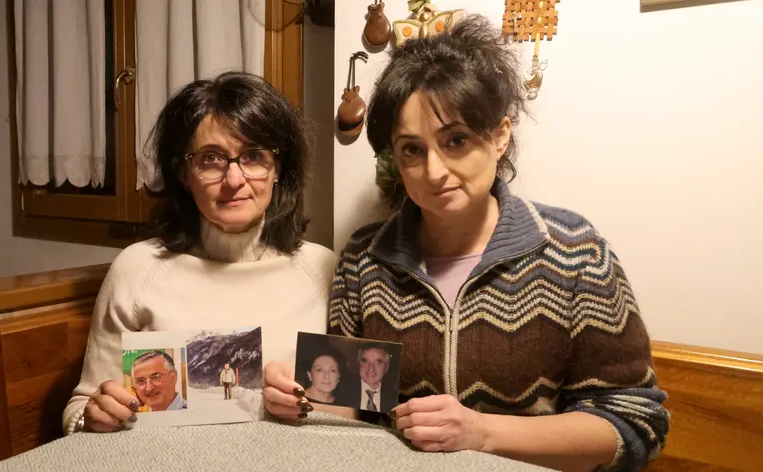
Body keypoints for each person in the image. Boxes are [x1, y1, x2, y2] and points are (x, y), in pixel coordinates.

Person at [265, 15, 669, 472]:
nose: (434, 171)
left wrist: (480, 432)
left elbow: (635, 422)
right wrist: (300, 396)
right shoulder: (364, 259)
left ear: (499, 136)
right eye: (412, 150)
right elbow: (356, 401)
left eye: (455, 140)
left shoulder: (575, 253)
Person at [63, 72, 338, 434]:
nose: (234, 179)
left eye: (254, 156)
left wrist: (303, 405)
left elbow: (349, 408)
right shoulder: (138, 270)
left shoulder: (322, 269)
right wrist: (92, 417)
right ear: (183, 174)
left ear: (278, 169)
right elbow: (80, 409)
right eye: (211, 159)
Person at [355, 343, 396, 413]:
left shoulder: (393, 397)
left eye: (378, 363)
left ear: (387, 368)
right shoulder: (340, 390)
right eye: (365, 361)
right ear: (359, 364)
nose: (371, 369)